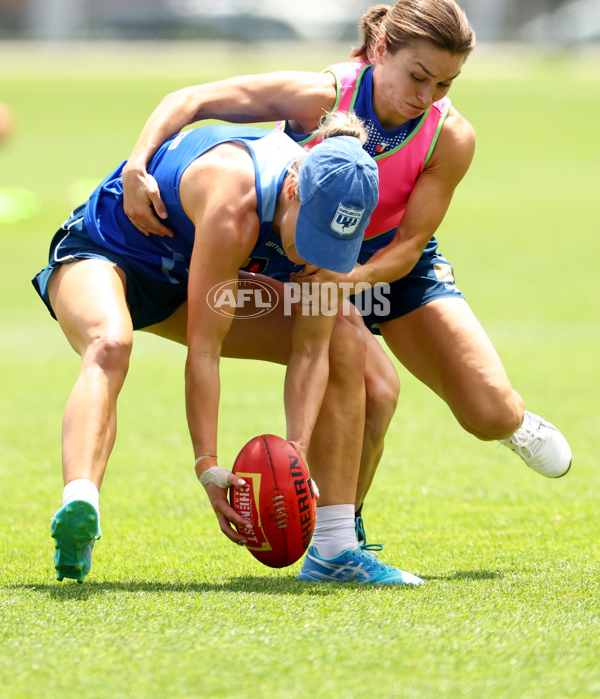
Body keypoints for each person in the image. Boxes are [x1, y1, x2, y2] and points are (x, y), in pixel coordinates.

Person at [119, 0, 572, 542]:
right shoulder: (319, 97)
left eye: (444, 84)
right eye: (418, 76)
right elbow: (190, 99)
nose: (425, 96)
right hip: (304, 253)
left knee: (490, 413)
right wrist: (137, 167)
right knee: (376, 387)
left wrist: (347, 280)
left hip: (387, 265)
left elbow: (409, 246)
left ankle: (514, 427)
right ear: (381, 49)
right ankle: (339, 535)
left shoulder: (449, 137)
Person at [33, 112, 423, 586]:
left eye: (330, 245)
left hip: (186, 282)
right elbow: (204, 349)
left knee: (344, 335)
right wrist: (208, 465)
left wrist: (296, 449)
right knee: (110, 342)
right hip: (108, 253)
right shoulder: (234, 203)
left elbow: (311, 351)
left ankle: (335, 550)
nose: (314, 256)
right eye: (311, 235)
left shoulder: (336, 230)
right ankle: (81, 501)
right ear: (292, 190)